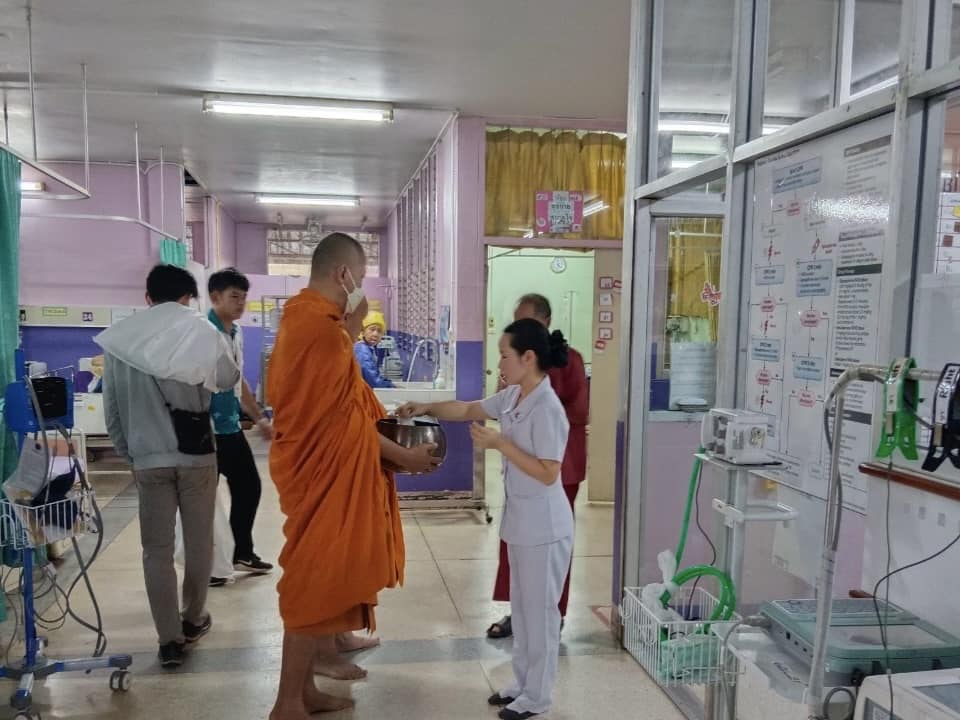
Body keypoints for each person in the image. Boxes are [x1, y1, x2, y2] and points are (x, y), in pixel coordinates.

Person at [267, 232, 440, 719]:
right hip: (320, 478)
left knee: (323, 577)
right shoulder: (323, 333)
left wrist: (352, 321)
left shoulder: (303, 318)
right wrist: (405, 458)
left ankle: (304, 691)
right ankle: (287, 702)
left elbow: (339, 411)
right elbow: (344, 427)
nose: (361, 288)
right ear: (344, 275)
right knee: (312, 582)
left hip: (314, 471)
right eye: (359, 278)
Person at [398, 319, 572, 720]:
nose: (500, 364)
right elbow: (466, 408)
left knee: (541, 615)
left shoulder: (548, 408)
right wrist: (425, 407)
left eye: (505, 356)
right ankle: (521, 685)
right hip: (522, 524)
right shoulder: (513, 396)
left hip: (546, 529)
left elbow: (548, 472)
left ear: (528, 358)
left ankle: (538, 697)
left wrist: (500, 444)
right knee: (522, 611)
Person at [97, 264, 240, 669]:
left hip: (147, 458)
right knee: (199, 542)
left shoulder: (120, 340)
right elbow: (228, 379)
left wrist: (132, 455)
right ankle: (193, 618)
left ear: (148, 297)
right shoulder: (201, 330)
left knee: (155, 550)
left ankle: (169, 640)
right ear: (187, 297)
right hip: (196, 456)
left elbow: (112, 410)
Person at [487, 293, 588, 640]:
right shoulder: (515, 364)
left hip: (560, 466)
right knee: (515, 544)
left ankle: (552, 613)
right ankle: (519, 611)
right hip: (521, 464)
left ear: (546, 323)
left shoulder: (569, 361)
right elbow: (495, 405)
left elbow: (578, 411)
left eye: (527, 322)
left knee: (552, 550)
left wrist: (534, 399)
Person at [206, 268, 274, 583]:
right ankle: (210, 566)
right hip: (205, 431)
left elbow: (237, 381)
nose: (241, 303)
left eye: (244, 297)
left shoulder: (236, 333)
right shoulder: (205, 333)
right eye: (234, 296)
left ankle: (239, 552)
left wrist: (258, 417)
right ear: (215, 297)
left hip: (229, 428)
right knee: (203, 503)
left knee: (248, 487)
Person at [353, 311, 395, 389]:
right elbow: (373, 381)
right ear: (363, 331)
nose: (375, 334)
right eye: (372, 329)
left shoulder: (367, 348)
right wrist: (391, 386)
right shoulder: (362, 350)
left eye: (379, 331)